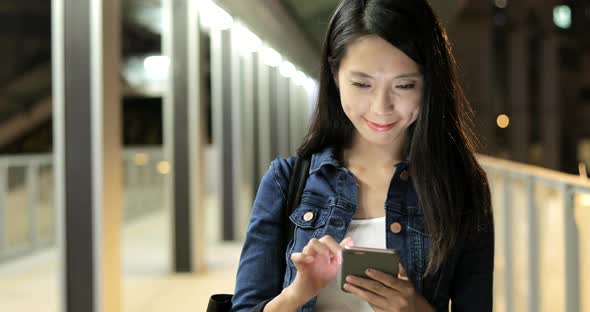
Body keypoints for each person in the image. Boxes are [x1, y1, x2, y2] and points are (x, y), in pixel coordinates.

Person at [231, 0, 494, 311]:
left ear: (430, 85)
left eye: (404, 85)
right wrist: (297, 293)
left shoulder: (462, 187)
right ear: (335, 75)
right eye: (362, 84)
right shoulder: (286, 182)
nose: (381, 107)